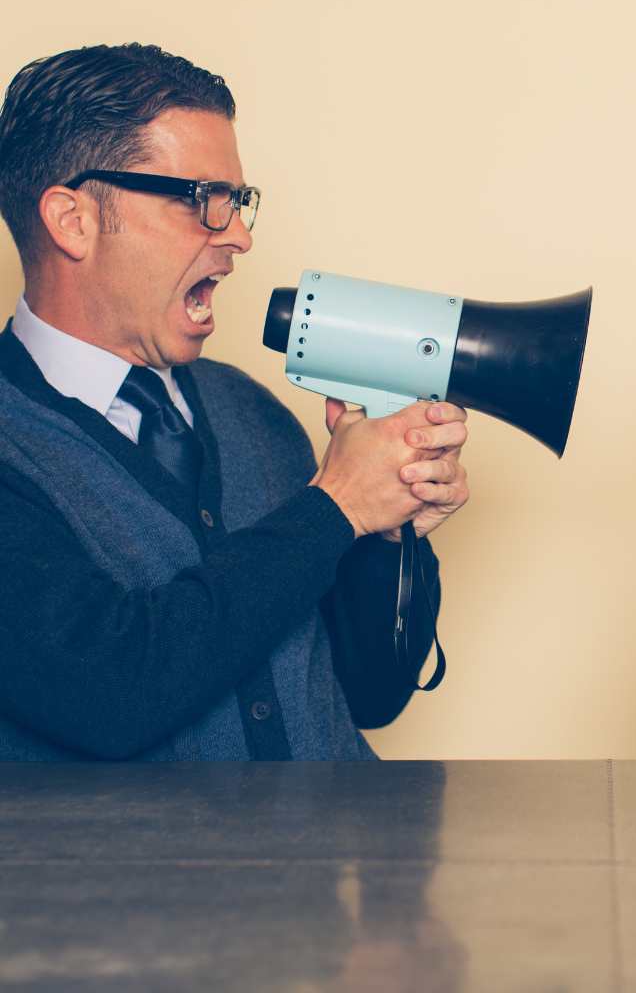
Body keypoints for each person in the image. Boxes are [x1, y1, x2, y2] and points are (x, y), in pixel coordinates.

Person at [0, 43, 470, 761]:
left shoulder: (250, 411)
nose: (240, 236)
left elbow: (370, 695)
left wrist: (385, 533)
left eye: (238, 201)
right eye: (202, 199)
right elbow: (109, 693)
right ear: (73, 220)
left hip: (337, 837)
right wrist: (336, 506)